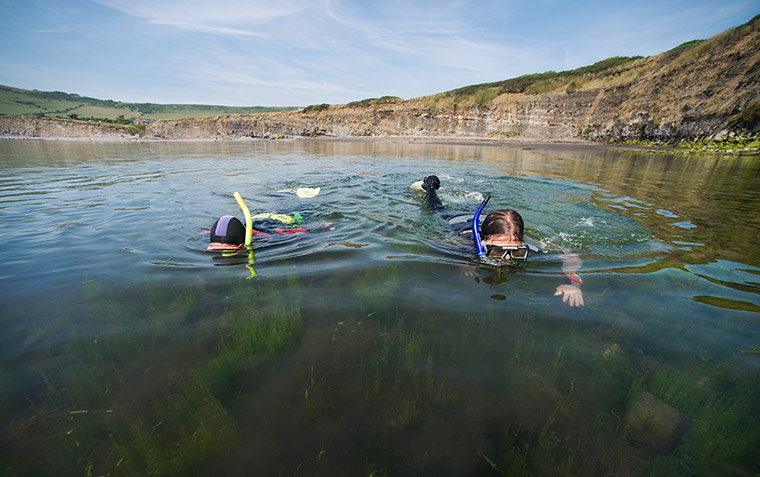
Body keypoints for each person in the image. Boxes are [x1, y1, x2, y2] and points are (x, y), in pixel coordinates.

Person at [417, 175, 584, 307]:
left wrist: (573, 284)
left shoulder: (532, 246)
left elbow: (568, 256)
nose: (507, 259)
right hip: (457, 220)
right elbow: (436, 242)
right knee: (435, 209)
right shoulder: (464, 242)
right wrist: (466, 262)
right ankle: (430, 186)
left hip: (487, 220)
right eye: (498, 250)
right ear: (485, 242)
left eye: (516, 251)